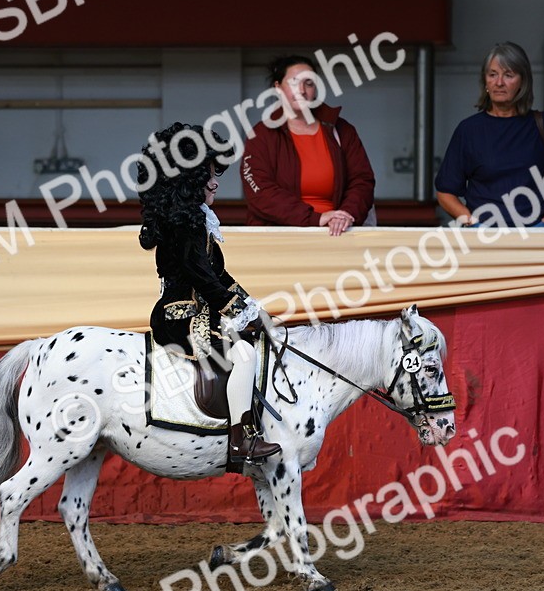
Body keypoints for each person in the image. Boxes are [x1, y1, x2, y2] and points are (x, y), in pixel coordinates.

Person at [138, 122, 281, 465]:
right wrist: (242, 315)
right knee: (244, 356)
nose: (216, 181)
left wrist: (254, 310)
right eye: (209, 173)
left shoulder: (196, 220)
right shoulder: (185, 225)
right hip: (182, 317)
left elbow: (220, 277)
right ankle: (240, 440)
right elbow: (203, 279)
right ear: (188, 177)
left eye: (217, 173)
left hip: (203, 312)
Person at [435, 41, 544, 229]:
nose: (499, 82)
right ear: (485, 81)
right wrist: (472, 223)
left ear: (522, 82)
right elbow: (445, 192)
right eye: (492, 74)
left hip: (535, 241)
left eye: (508, 75)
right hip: (483, 242)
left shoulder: (543, 124)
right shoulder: (468, 130)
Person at [241, 55, 376, 236]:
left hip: (336, 233)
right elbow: (260, 192)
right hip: (278, 236)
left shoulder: (342, 130)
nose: (302, 90)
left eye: (309, 83)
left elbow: (362, 181)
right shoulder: (261, 135)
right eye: (294, 83)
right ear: (278, 88)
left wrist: (345, 216)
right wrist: (315, 219)